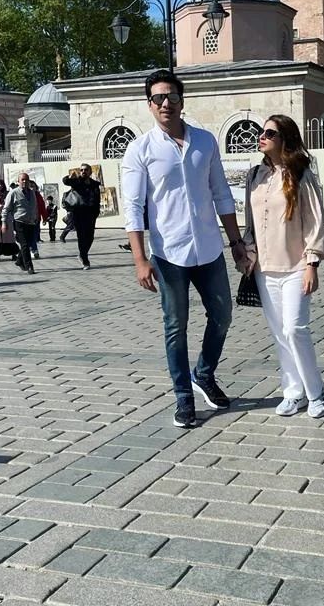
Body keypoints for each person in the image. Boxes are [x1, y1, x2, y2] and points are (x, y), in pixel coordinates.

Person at [121, 69, 246, 429]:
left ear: (181, 101)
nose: (166, 104)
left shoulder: (205, 142)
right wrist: (140, 258)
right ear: (149, 104)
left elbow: (222, 193)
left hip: (208, 248)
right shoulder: (140, 150)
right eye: (158, 98)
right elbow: (133, 207)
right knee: (176, 326)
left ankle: (203, 374)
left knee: (222, 316)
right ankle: (183, 397)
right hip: (168, 253)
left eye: (172, 97)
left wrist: (236, 243)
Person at [243, 115, 324, 418]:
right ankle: (293, 393)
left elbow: (315, 222)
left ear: (285, 140)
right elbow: (251, 223)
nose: (262, 136)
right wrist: (245, 253)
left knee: (295, 329)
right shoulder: (255, 176)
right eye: (261, 131)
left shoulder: (300, 175)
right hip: (264, 269)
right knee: (280, 334)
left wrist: (312, 263)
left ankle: (316, 392)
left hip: (295, 266)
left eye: (270, 132)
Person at [62, 164, 101, 270]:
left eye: (86, 170)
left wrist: (96, 212)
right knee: (81, 236)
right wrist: (69, 177)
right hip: (78, 212)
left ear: (90, 172)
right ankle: (85, 259)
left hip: (90, 213)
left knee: (90, 237)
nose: (83, 171)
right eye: (82, 170)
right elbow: (66, 181)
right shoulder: (77, 181)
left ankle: (82, 254)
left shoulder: (94, 184)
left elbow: (97, 199)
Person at [2, 172, 39, 274]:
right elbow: (6, 209)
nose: (24, 181)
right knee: (25, 244)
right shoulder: (13, 193)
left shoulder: (32, 192)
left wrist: (35, 217)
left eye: (26, 179)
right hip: (19, 222)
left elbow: (34, 206)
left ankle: (19, 261)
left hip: (31, 222)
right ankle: (29, 266)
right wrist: (4, 222)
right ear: (18, 181)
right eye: (22, 180)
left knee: (29, 244)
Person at [28, 180, 48, 259]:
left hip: (36, 219)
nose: (32, 188)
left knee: (34, 235)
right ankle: (31, 249)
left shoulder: (38, 195)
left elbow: (42, 207)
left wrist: (44, 218)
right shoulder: (25, 195)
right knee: (28, 236)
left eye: (33, 186)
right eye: (30, 186)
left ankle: (34, 250)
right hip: (26, 219)